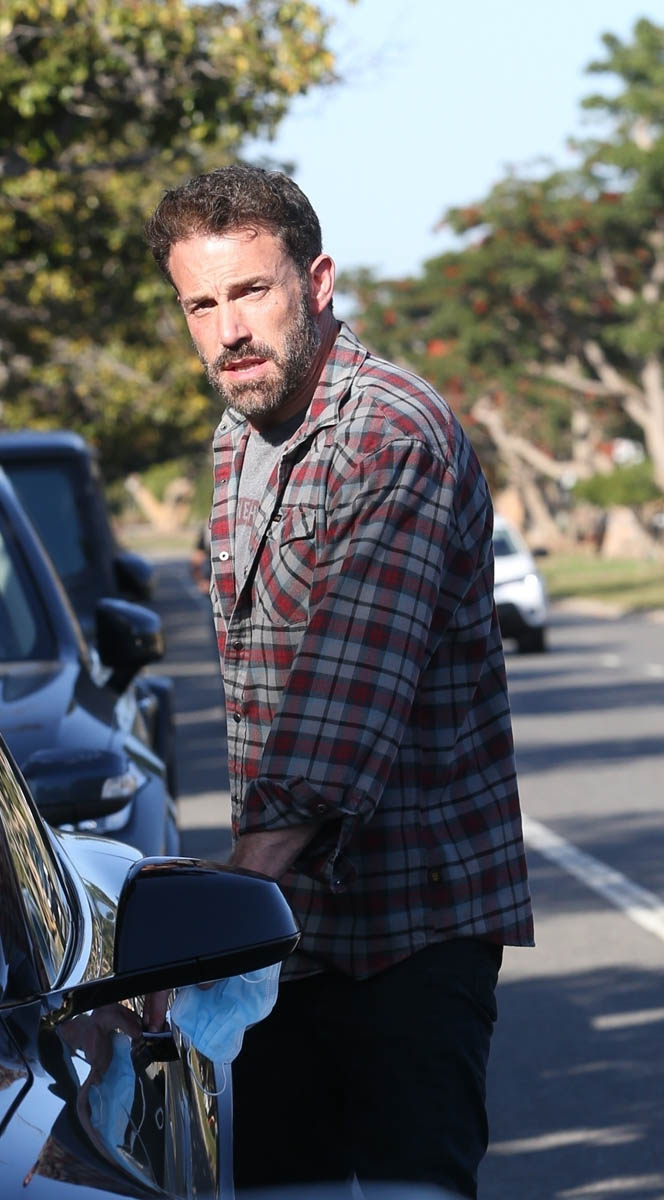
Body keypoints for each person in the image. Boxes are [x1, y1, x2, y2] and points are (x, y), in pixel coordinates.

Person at [144, 165, 534, 1199]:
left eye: (250, 291)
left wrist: (215, 921)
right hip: (290, 937)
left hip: (411, 932)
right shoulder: (239, 435)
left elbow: (335, 715)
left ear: (316, 283)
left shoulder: (391, 436)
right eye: (201, 304)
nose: (228, 330)